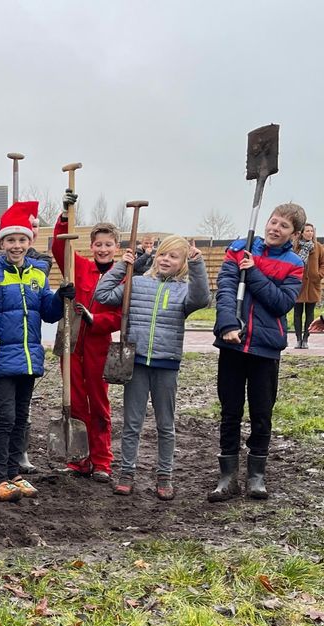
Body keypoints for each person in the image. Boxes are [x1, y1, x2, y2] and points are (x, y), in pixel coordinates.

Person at [94, 237, 210, 499]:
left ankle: (164, 475)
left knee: (165, 424)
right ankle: (126, 472)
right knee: (132, 423)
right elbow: (102, 294)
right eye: (162, 255)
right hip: (136, 362)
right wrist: (123, 267)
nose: (166, 260)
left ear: (182, 264)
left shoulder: (184, 291)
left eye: (173, 257)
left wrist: (197, 263)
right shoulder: (137, 283)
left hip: (166, 364)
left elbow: (202, 298)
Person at [209, 203, 305, 502]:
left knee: (262, 413)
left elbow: (281, 303)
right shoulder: (240, 249)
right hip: (233, 343)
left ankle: (256, 476)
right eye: (273, 222)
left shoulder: (293, 263)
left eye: (284, 226)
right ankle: (227, 477)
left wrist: (252, 274)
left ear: (295, 234)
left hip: (265, 349)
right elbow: (225, 287)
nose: (275, 228)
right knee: (230, 411)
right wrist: (226, 322)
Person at [0, 201, 68, 501]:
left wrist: (62, 298)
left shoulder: (38, 275)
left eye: (22, 240)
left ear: (30, 242)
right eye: (11, 240)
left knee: (20, 417)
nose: (16, 246)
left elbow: (49, 313)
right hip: (1, 358)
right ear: (2, 243)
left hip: (29, 358)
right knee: (4, 417)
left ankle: (15, 472)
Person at [52, 193, 123, 482]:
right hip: (70, 338)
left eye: (108, 245)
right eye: (98, 244)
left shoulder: (122, 277)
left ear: (116, 248)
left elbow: (120, 316)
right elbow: (59, 246)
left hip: (98, 343)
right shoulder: (79, 266)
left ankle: (102, 461)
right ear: (91, 246)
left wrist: (97, 321)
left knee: (99, 402)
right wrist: (64, 217)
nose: (103, 249)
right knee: (74, 401)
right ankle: (79, 459)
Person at [292, 223, 321, 349]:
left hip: (313, 286)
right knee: (297, 313)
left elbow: (323, 263)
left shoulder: (319, 247)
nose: (310, 233)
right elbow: (291, 263)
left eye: (311, 231)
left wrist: (318, 275)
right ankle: (298, 339)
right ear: (302, 233)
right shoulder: (295, 247)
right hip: (299, 285)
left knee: (310, 313)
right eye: (307, 231)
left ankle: (305, 340)